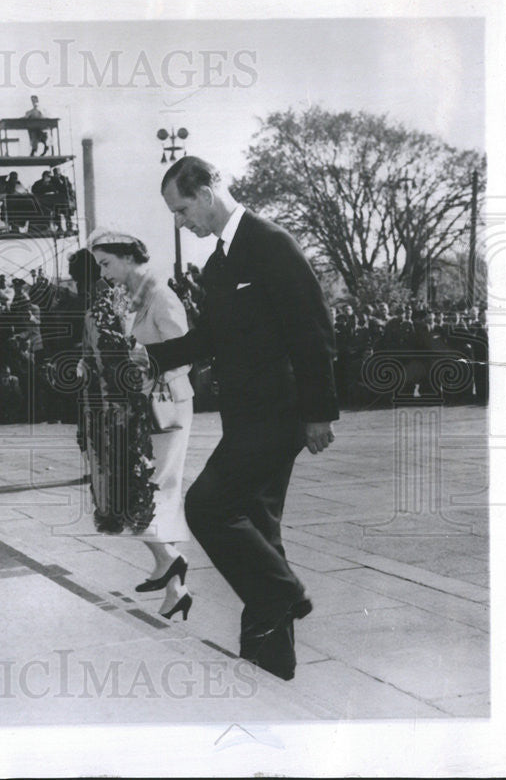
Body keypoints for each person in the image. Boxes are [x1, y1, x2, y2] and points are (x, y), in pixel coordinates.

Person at [144, 155, 339, 681]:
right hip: (245, 416)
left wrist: (319, 413)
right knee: (258, 530)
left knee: (207, 506)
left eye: (182, 209)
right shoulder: (219, 264)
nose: (182, 222)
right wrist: (152, 356)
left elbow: (313, 328)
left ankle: (284, 592)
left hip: (280, 415)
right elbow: (211, 338)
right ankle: (271, 661)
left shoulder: (271, 242)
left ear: (206, 193)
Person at [86, 234, 196, 622]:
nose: (103, 273)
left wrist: (147, 363)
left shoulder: (162, 296)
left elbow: (186, 355)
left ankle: (170, 560)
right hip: (143, 409)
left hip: (167, 409)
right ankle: (174, 587)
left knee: (149, 493)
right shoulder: (128, 299)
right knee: (142, 493)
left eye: (106, 263)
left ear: (129, 257)